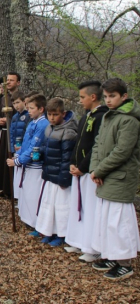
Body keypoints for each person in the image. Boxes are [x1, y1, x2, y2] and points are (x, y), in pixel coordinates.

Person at [89, 78, 140, 281]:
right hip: (105, 175)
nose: (108, 100)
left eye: (113, 96)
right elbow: (98, 144)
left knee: (120, 222)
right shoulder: (109, 117)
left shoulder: (129, 120)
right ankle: (111, 256)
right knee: (105, 219)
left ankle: (125, 262)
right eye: (107, 97)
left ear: (123, 96)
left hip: (121, 177)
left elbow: (122, 152)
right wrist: (94, 169)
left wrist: (100, 170)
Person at [65, 80, 108, 262]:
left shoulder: (101, 117)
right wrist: (73, 163)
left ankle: (92, 247)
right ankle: (77, 239)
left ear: (93, 96)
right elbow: (78, 144)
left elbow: (96, 145)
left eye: (82, 97)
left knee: (89, 208)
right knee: (78, 206)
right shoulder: (85, 117)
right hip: (78, 170)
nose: (80, 100)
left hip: (89, 170)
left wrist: (83, 167)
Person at [34, 98, 77, 247]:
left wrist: (64, 178)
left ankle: (62, 234)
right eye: (49, 114)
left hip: (60, 175)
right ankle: (49, 231)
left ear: (63, 114)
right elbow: (47, 148)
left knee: (62, 208)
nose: (51, 118)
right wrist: (39, 153)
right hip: (50, 173)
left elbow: (67, 158)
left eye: (55, 115)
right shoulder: (49, 128)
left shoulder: (68, 131)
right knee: (49, 205)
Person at [7, 94, 49, 230]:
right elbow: (25, 144)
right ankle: (28, 219)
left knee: (33, 195)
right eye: (28, 108)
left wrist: (18, 161)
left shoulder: (43, 124)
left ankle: (36, 222)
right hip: (28, 164)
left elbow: (33, 147)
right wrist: (17, 154)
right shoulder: (32, 123)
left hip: (36, 165)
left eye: (32, 108)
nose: (29, 111)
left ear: (41, 109)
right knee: (27, 193)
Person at [0, 72, 21, 198]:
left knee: (12, 159)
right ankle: (4, 188)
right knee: (3, 160)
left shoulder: (21, 97)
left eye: (12, 80)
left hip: (15, 133)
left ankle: (13, 190)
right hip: (3, 133)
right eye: (7, 80)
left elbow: (21, 115)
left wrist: (9, 120)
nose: (9, 82)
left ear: (18, 82)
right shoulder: (2, 98)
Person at [9, 91, 30, 199]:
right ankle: (17, 195)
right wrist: (12, 148)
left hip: (24, 149)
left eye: (18, 102)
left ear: (24, 101)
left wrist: (22, 146)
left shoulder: (27, 116)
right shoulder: (14, 117)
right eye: (14, 103)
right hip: (16, 149)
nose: (16, 106)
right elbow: (12, 133)